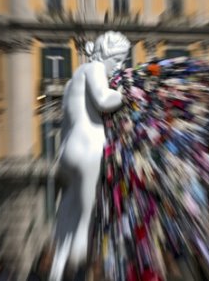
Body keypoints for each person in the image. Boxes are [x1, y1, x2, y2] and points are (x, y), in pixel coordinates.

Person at [50, 31, 131, 281]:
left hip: (67, 152)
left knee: (68, 216)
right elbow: (104, 100)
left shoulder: (73, 79)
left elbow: (64, 123)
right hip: (90, 148)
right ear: (106, 54)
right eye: (117, 61)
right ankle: (79, 271)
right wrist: (128, 93)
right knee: (86, 220)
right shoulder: (94, 68)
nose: (119, 67)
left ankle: (56, 270)